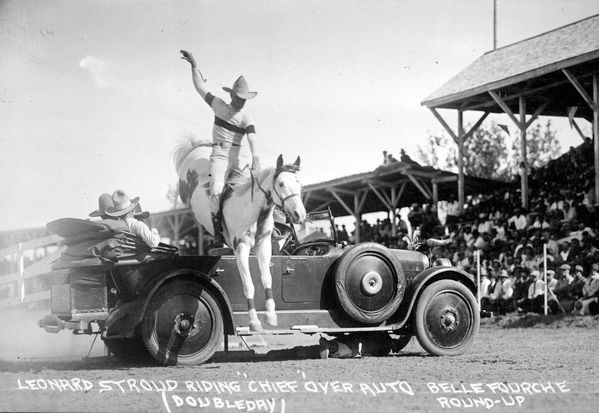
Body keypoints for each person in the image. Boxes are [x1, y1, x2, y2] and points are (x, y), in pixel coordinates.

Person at [180, 50, 259, 246]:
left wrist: (256, 158)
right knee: (216, 190)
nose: (241, 102)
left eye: (244, 99)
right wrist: (194, 66)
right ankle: (217, 231)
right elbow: (200, 87)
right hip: (220, 156)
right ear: (232, 96)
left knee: (255, 188)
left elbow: (252, 138)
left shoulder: (247, 117)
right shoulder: (218, 105)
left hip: (238, 155)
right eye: (239, 98)